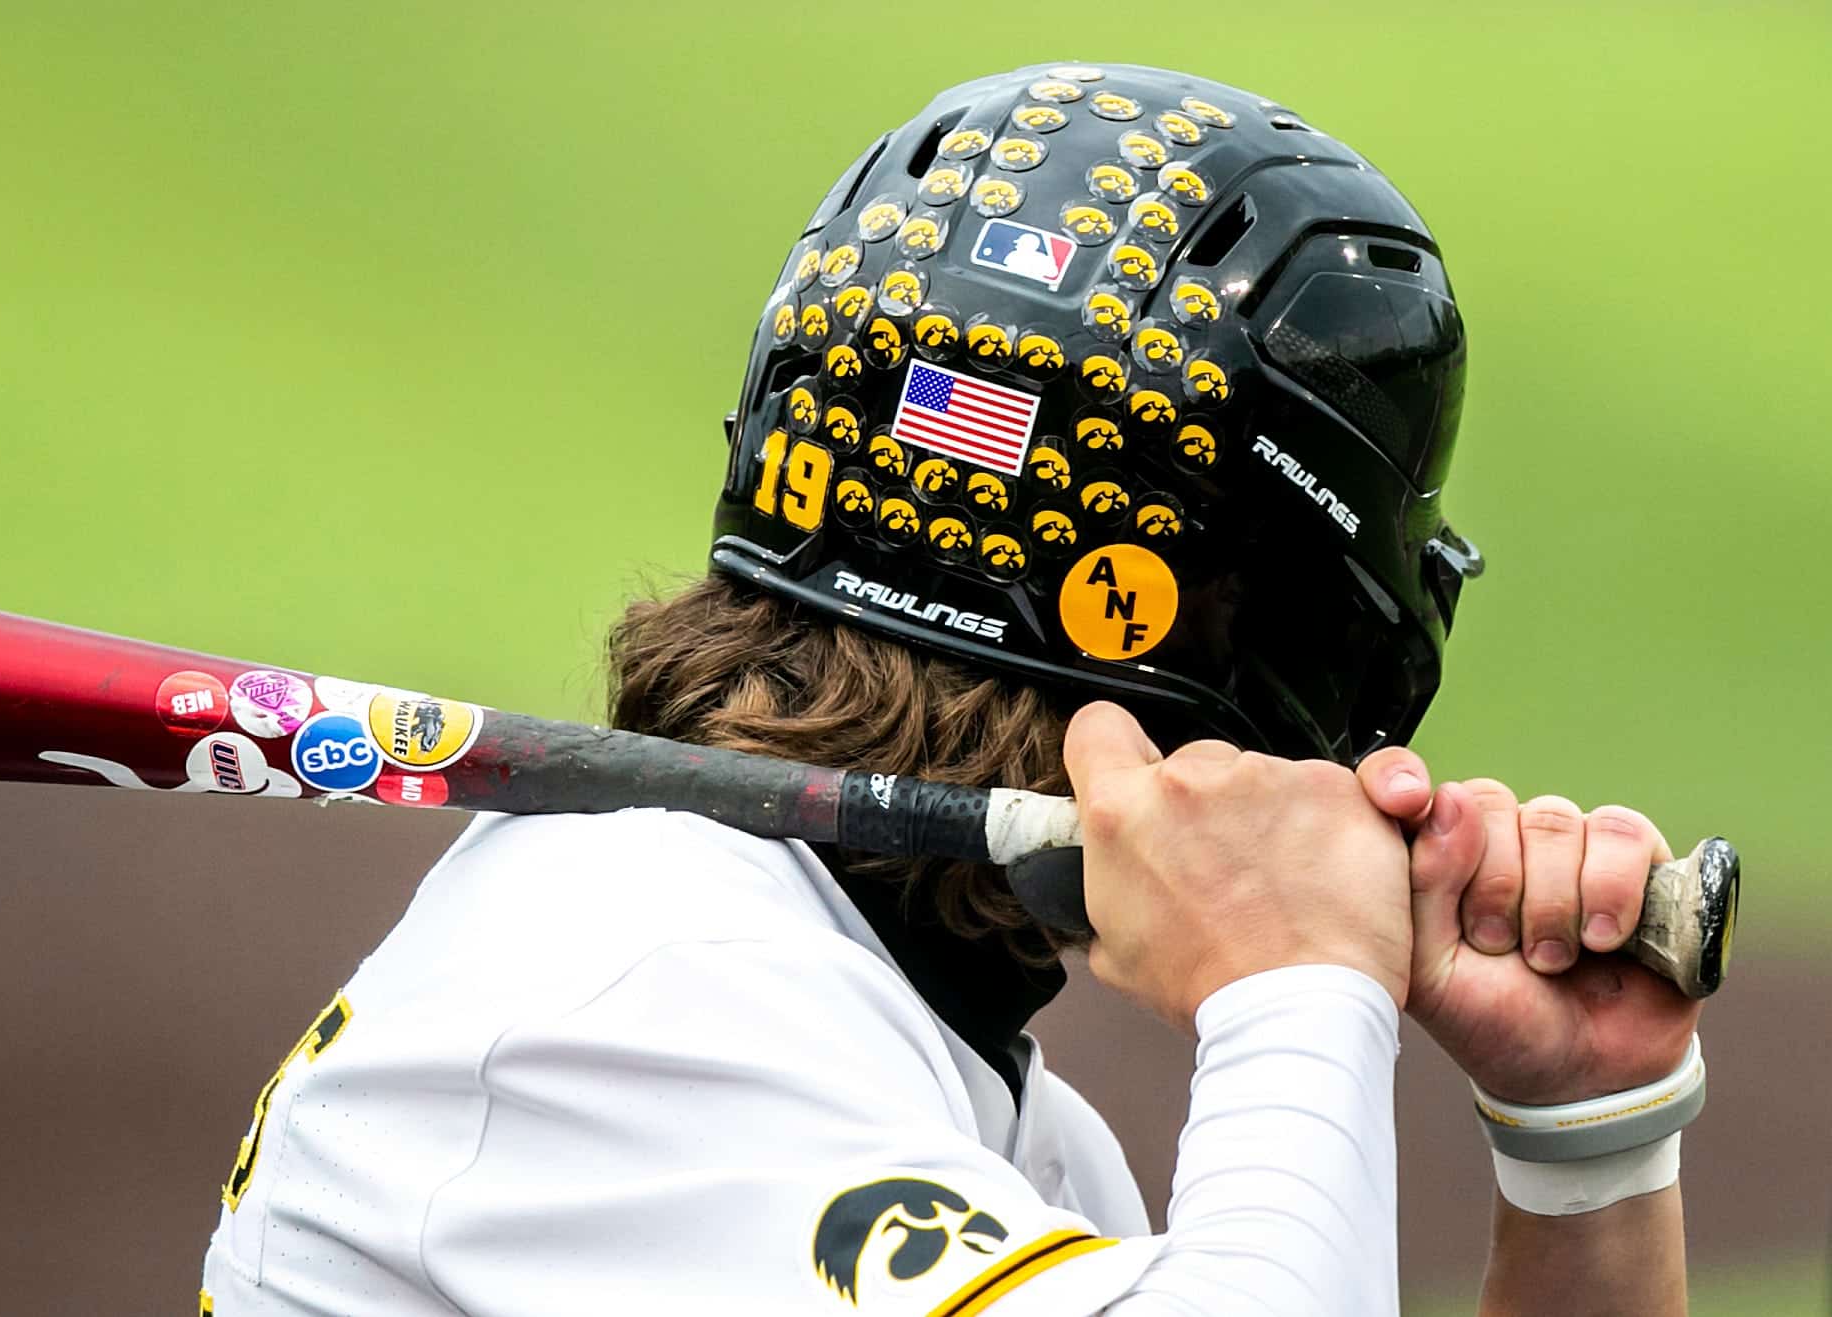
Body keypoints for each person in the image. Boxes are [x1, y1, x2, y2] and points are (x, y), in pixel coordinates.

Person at [199, 63, 1704, 1315]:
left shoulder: (977, 1115)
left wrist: (1586, 1148)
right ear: (1307, 646)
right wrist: (1292, 981)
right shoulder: (622, 1000)